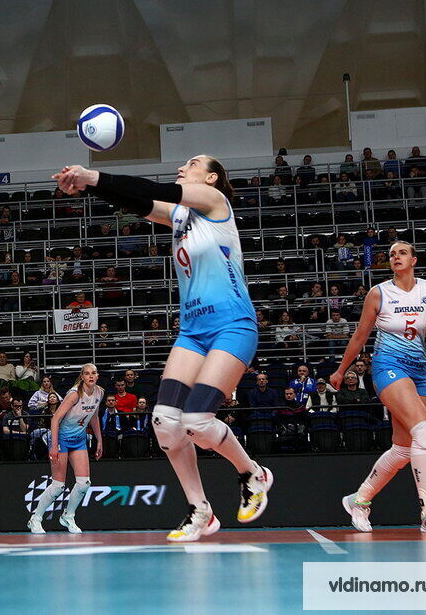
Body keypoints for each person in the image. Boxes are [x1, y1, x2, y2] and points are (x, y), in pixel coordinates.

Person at [54, 156, 273, 543]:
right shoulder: (180, 216)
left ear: (211, 177)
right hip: (192, 331)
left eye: (193, 163)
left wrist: (91, 174)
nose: (183, 166)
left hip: (231, 324)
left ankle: (252, 474)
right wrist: (88, 185)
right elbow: (136, 201)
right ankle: (200, 510)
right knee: (165, 423)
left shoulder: (214, 201)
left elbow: (153, 189)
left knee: (198, 421)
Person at [330, 241, 426, 534]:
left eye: (402, 253)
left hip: (417, 370)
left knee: (403, 448)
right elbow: (360, 336)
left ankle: (359, 500)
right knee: (424, 429)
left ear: (414, 260)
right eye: (392, 254)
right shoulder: (379, 293)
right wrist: (341, 369)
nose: (396, 257)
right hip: (388, 365)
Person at [27, 364, 104, 535]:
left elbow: (94, 416)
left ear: (97, 376)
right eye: (87, 373)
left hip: (79, 440)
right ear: (82, 377)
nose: (91, 376)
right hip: (61, 440)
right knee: (58, 486)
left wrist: (99, 440)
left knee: (84, 484)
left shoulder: (99, 392)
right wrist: (54, 446)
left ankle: (68, 516)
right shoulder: (74, 394)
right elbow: (55, 419)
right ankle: (36, 519)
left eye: (94, 373)